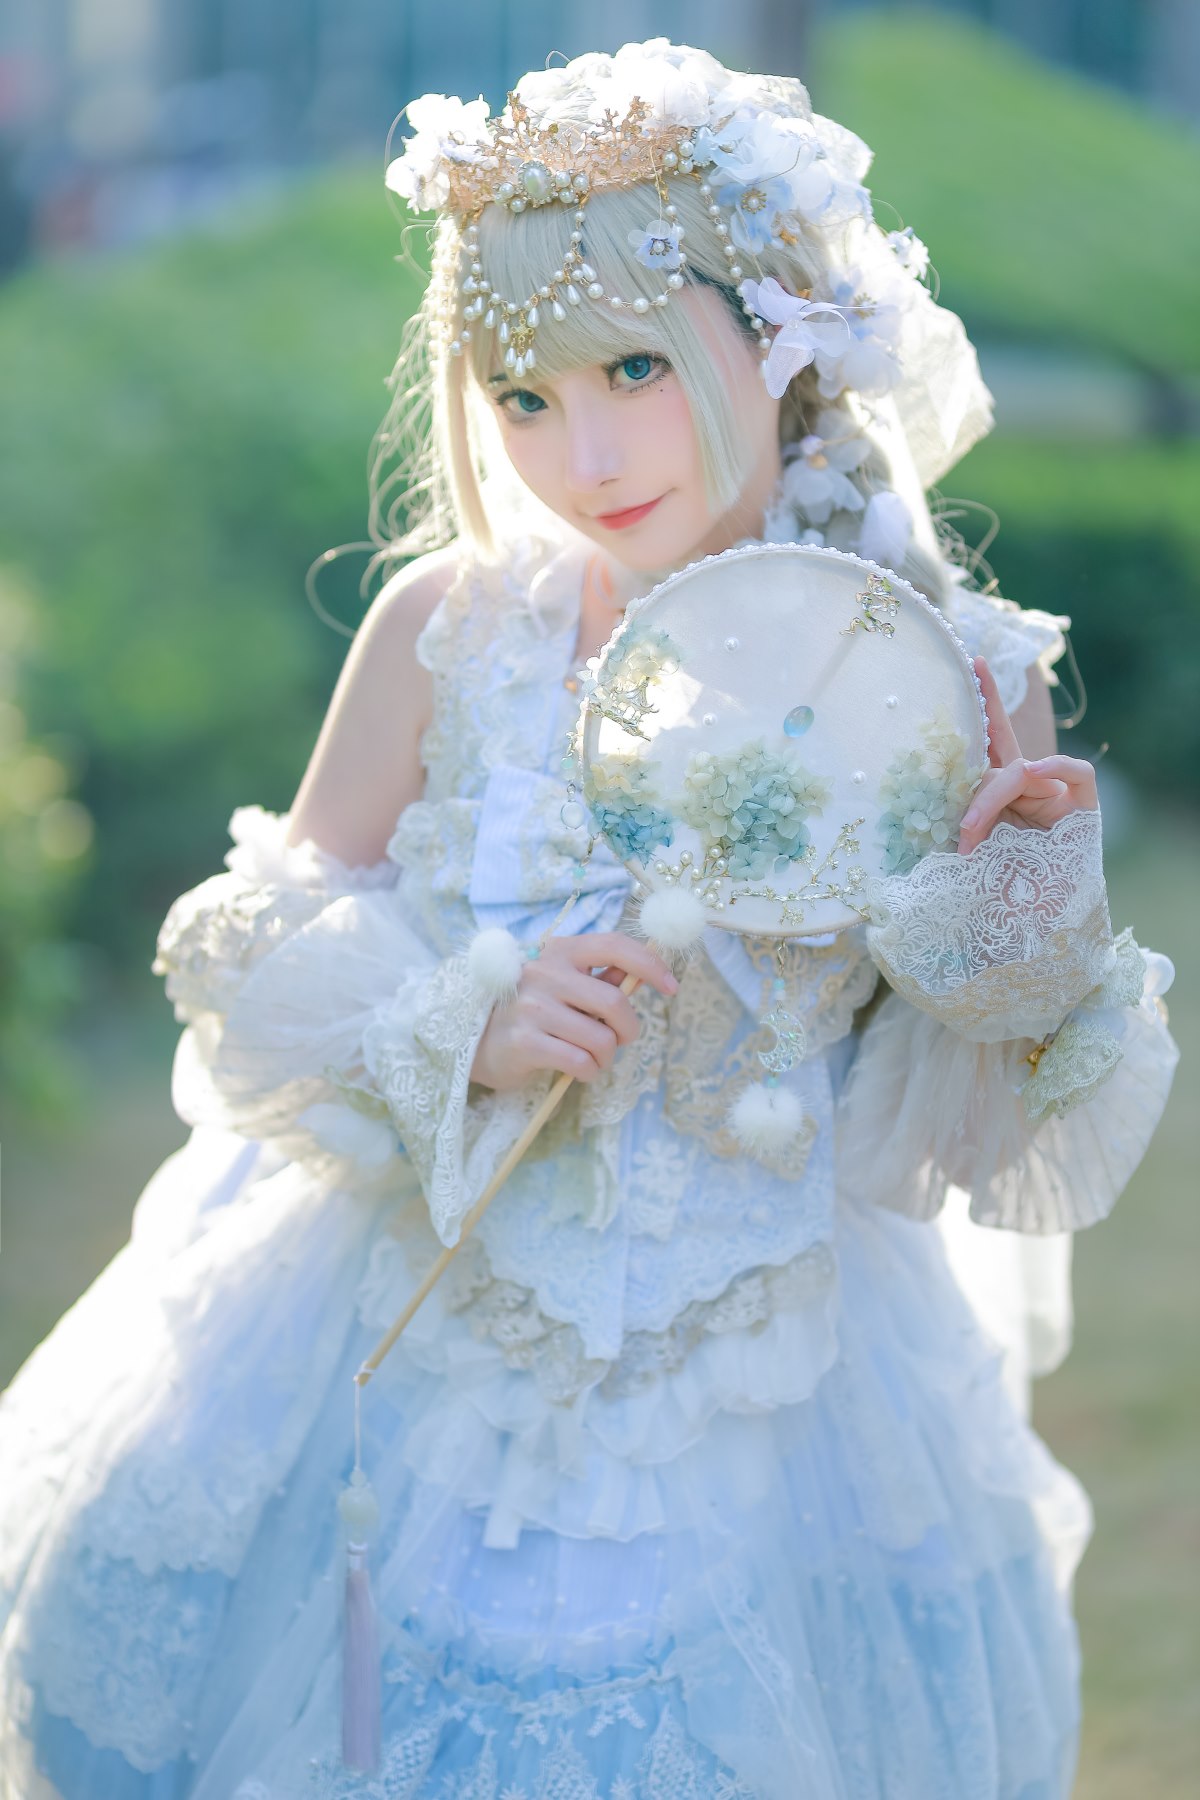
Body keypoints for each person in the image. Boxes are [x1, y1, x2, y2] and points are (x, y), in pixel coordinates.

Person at [0, 38, 1179, 1800]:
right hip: (422, 1327)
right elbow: (262, 928)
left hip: (772, 1374)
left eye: (634, 366)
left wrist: (1018, 919)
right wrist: (455, 1020)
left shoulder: (941, 667)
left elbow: (985, 1116)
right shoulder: (455, 627)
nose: (587, 450)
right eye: (525, 393)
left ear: (781, 343)